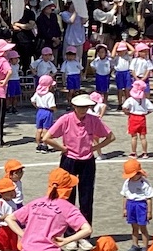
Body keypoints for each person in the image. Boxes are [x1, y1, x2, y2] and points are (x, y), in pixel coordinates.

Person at [43, 93, 116, 227]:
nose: (83, 110)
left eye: (86, 107)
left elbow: (111, 137)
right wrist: (62, 148)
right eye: (80, 107)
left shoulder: (93, 120)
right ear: (74, 107)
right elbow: (46, 137)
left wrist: (95, 148)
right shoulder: (66, 119)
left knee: (86, 197)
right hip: (69, 159)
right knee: (66, 195)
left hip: (87, 160)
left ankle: (84, 231)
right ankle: (68, 230)